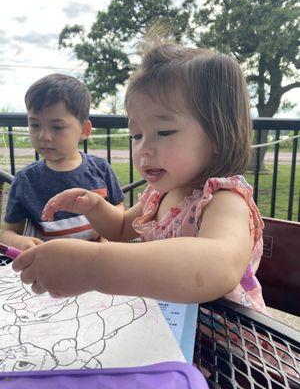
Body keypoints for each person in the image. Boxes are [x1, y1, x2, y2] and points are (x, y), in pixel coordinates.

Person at [13, 38, 267, 313]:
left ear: (217, 135)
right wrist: (95, 206)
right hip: (167, 324)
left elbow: (220, 264)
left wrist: (93, 266)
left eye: (164, 132)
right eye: (136, 135)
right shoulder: (159, 195)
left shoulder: (224, 200)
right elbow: (122, 229)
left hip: (220, 339)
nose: (144, 148)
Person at [1, 73, 125, 250]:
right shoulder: (25, 180)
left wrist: (108, 236)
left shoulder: (101, 169)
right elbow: (9, 232)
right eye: (35, 125)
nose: (44, 136)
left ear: (84, 130)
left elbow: (119, 207)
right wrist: (20, 242)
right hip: (51, 267)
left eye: (57, 127)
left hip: (98, 261)